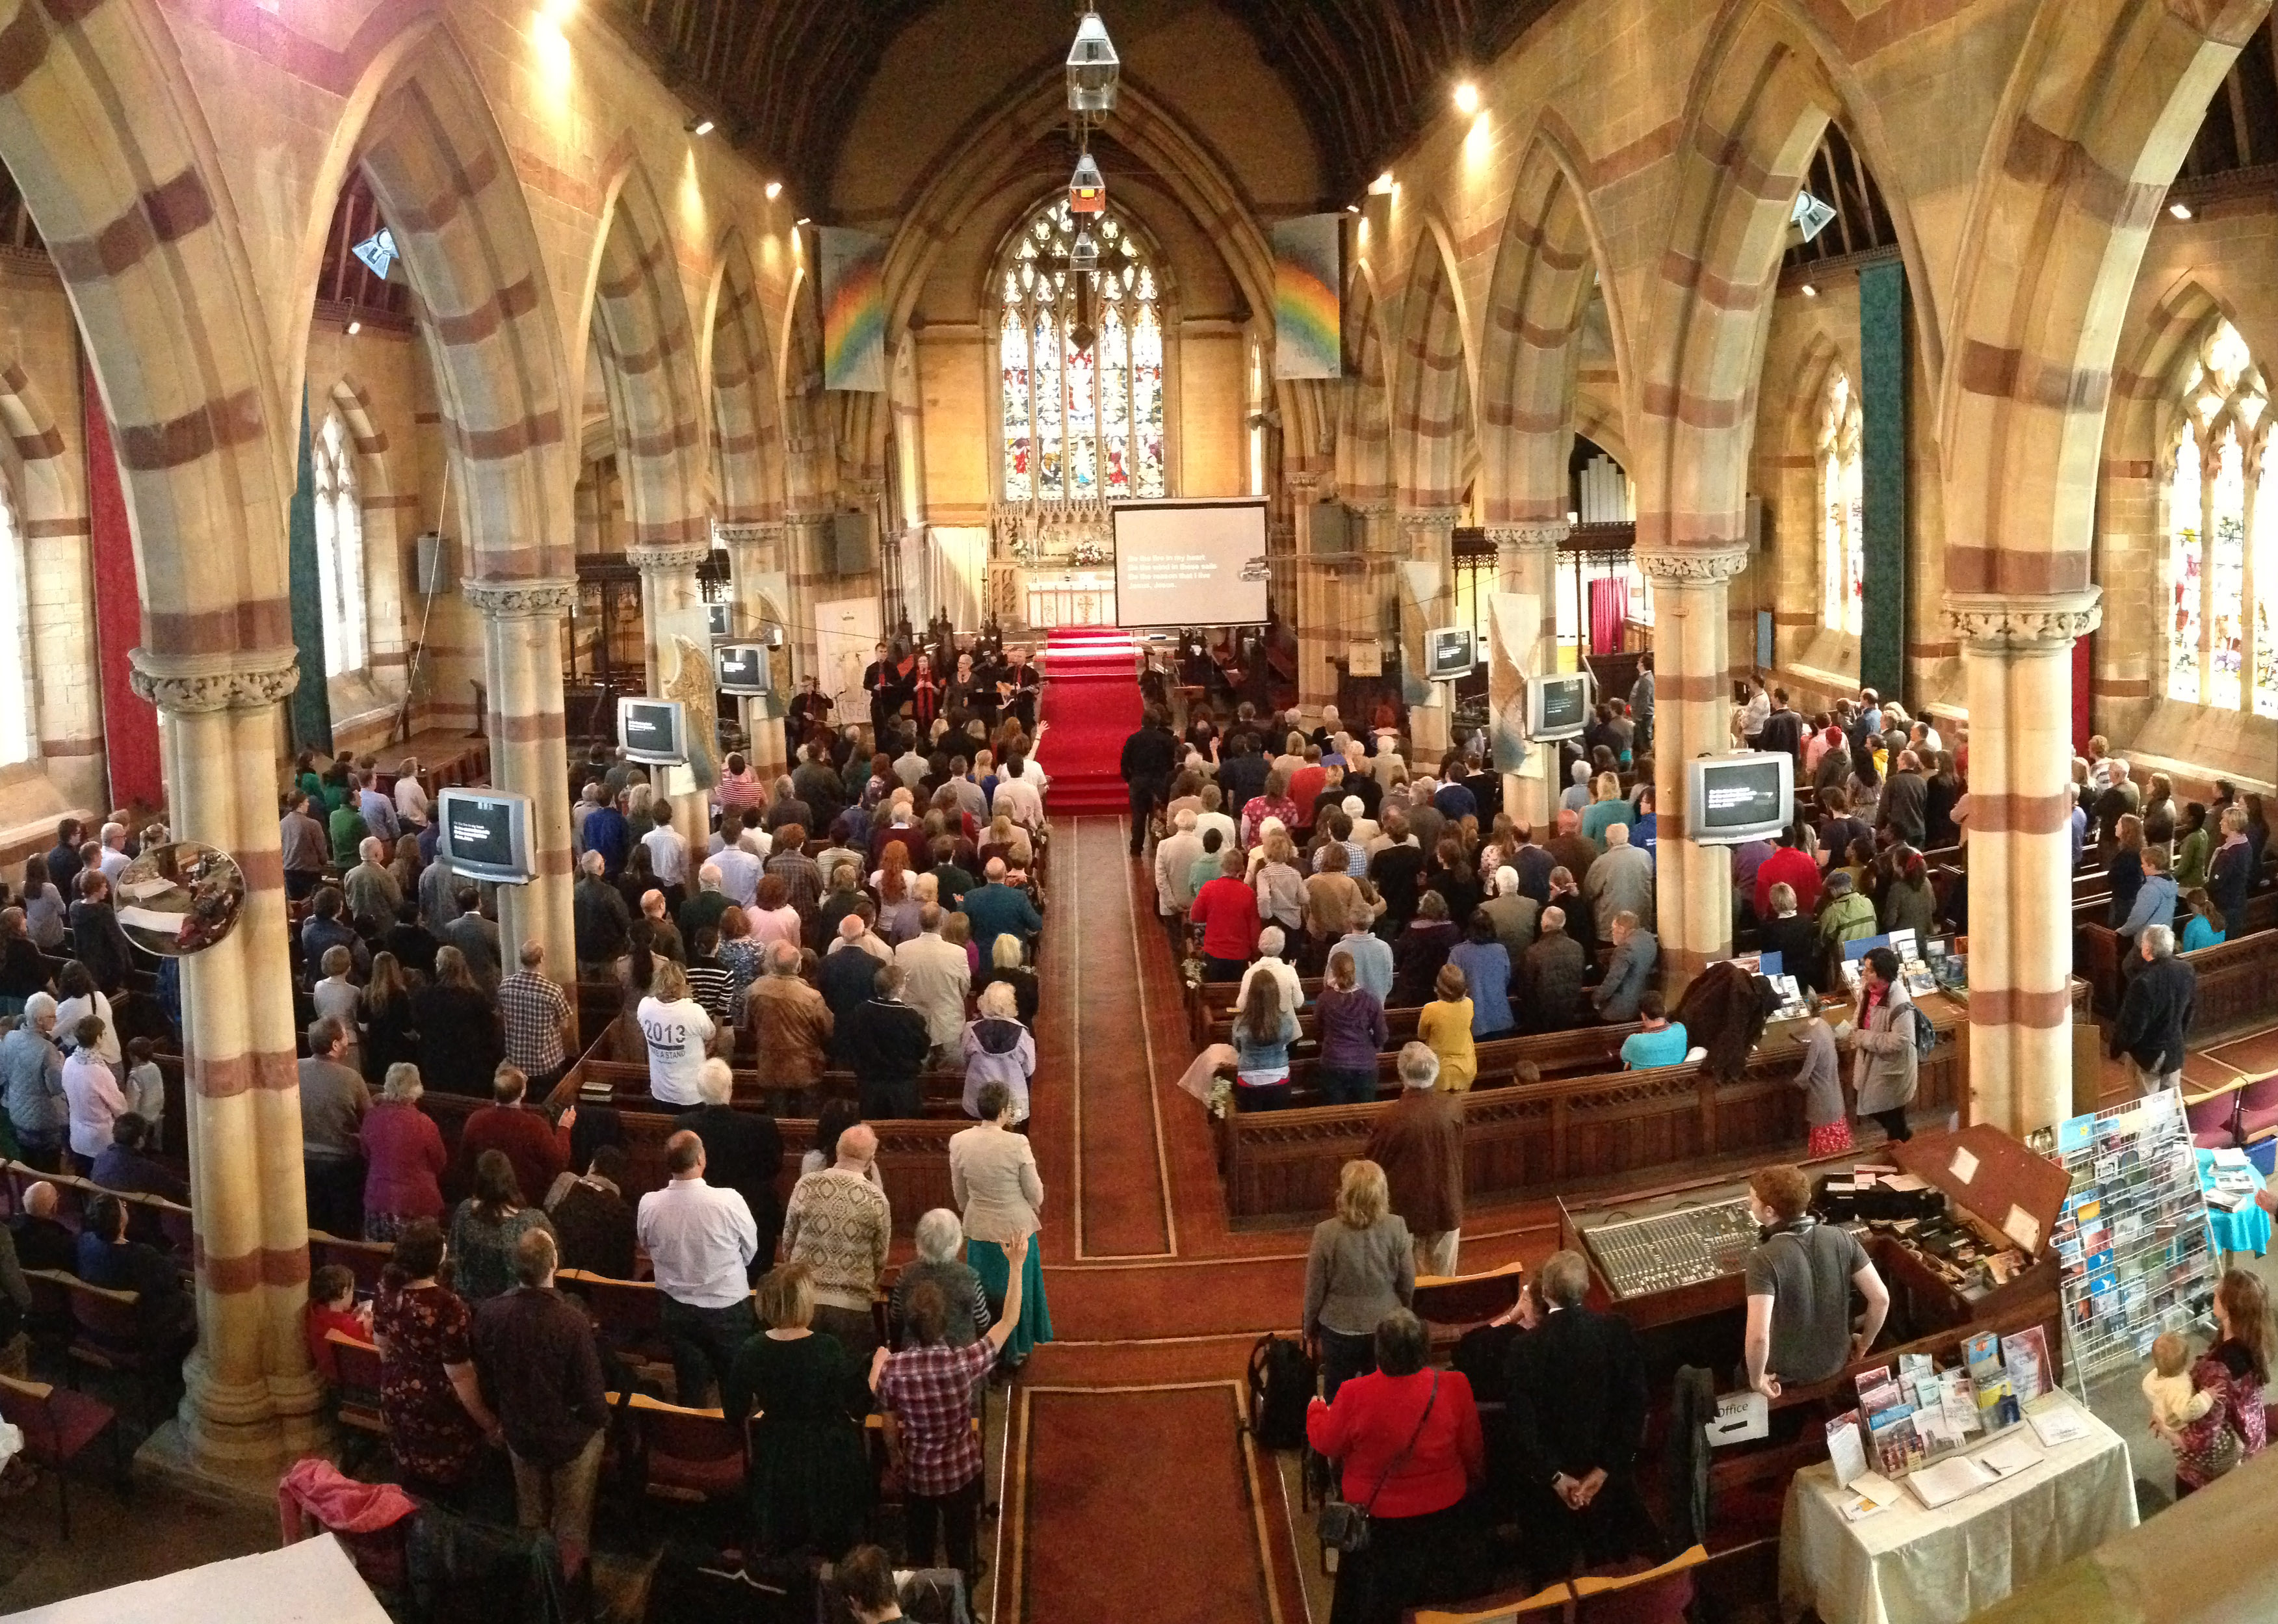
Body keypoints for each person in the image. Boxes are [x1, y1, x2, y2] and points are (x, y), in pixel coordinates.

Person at [1304, 1308, 1484, 1624]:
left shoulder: (1354, 1393)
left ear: (1380, 1352)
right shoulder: (1456, 1385)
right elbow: (1472, 1449)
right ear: (1424, 1349)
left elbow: (1327, 1444)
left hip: (1376, 1521)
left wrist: (1315, 1412)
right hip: (1444, 1513)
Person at [874, 1233, 1032, 1586]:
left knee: (919, 1549)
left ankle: (922, 1601)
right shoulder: (964, 1363)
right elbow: (1007, 1320)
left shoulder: (893, 1371)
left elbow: (888, 1421)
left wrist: (897, 1459)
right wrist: (1017, 1266)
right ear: (945, 1324)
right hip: (961, 1471)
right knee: (962, 1549)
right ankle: (961, 1595)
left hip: (916, 1473)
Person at [1499, 1250, 1652, 1575]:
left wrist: (1555, 1477)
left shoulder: (1524, 1349)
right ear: (1584, 1290)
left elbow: (1522, 1427)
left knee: (1551, 1565)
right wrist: (1605, 1469)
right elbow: (1634, 1407)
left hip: (1546, 1491)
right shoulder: (1617, 1332)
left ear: (1544, 1293)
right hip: (1609, 1483)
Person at [471, 1228, 609, 1590]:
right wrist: (598, 1423)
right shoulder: (572, 1321)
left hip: (519, 1432)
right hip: (569, 1440)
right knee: (571, 1525)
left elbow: (483, 1377)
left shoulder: (490, 1313)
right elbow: (594, 1401)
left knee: (530, 1518)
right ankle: (567, 1593)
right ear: (555, 1264)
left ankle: (533, 1589)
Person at [721, 1262, 875, 1560]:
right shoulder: (827, 1347)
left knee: (785, 1544)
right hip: (828, 1453)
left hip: (778, 1455)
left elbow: (733, 1411)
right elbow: (855, 1403)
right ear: (805, 1302)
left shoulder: (752, 1349)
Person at [1742, 1163, 1889, 1397]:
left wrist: (1756, 1380)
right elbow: (1881, 1299)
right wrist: (1864, 1344)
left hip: (1787, 1373)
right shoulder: (1842, 1237)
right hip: (1837, 1359)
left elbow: (1759, 1338)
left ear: (1769, 1211)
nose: (1749, 1205)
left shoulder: (1762, 1258)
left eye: (1752, 1200)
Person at [637, 1129, 760, 1406]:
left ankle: (694, 1440)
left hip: (676, 1306)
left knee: (689, 1381)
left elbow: (646, 1246)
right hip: (726, 1307)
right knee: (734, 1381)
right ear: (701, 1159)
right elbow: (750, 1250)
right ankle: (735, 1439)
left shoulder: (649, 1203)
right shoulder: (729, 1201)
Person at [949, 1081, 1051, 1363]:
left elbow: (959, 1191)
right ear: (1005, 1110)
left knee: (984, 1290)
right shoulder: (1017, 1142)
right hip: (1015, 1229)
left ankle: (987, 1346)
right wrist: (1035, 1206)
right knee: (1017, 1286)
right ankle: (1016, 1348)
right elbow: (1035, 1192)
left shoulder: (959, 1141)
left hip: (980, 1227)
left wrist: (969, 1210)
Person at [1305, 1160, 1414, 1402]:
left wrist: (1309, 1326)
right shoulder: (1397, 1227)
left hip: (1337, 1327)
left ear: (1345, 1193)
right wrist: (1400, 1310)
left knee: (1337, 1394)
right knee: (1382, 1395)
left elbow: (1315, 1288)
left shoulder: (1325, 1232)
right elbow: (1407, 1282)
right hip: (1385, 1324)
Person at [2158, 1268, 2271, 1494]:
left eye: (2218, 1291)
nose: (2213, 1292)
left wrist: (2164, 1427)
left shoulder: (2217, 1370)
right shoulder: (2255, 1344)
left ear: (2229, 1307)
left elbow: (2202, 1440)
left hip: (2211, 1481)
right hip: (2252, 1454)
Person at [784, 1121, 891, 1357]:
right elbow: (880, 1257)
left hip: (805, 1299)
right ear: (871, 1159)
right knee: (846, 1378)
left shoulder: (806, 1184)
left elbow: (788, 1241)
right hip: (852, 1307)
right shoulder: (876, 1198)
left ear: (837, 1150)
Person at [1365, 1043, 1464, 1277]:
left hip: (1405, 1214)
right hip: (1446, 1204)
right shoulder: (1453, 1107)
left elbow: (1373, 1165)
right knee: (1444, 1283)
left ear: (1402, 1074)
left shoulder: (1389, 1118)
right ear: (1435, 1071)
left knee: (1408, 1285)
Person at [675, 1057, 783, 1266]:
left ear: (700, 1091)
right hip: (754, 1211)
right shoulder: (762, 1126)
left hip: (701, 1214)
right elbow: (773, 1167)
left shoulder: (684, 1125)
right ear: (730, 1088)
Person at [457, 1062, 573, 1224]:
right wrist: (564, 1128)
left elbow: (465, 1164)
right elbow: (559, 1161)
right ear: (523, 1092)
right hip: (526, 1202)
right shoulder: (534, 1125)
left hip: (486, 1201)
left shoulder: (476, 1120)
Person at [447, 1149, 554, 1304]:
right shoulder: (533, 1221)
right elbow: (552, 1263)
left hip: (471, 1304)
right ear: (511, 1179)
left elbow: (454, 1257)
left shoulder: (465, 1212)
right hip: (516, 1308)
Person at [1842, 945, 1921, 1143]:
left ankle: (1902, 1149)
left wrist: (1862, 1038)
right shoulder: (1868, 989)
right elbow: (1861, 1012)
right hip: (1871, 1061)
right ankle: (1901, 1142)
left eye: (1869, 970)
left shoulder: (1900, 1002)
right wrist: (1853, 1030)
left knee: (1892, 1114)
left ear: (1883, 974)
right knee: (1869, 1104)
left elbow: (1901, 1040)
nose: (1864, 974)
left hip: (1891, 1069)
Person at [745, 941, 834, 1114]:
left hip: (770, 1067)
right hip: (805, 1068)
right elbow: (828, 1030)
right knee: (806, 1121)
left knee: (775, 1121)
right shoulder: (812, 997)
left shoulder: (755, 991)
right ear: (798, 966)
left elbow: (749, 1026)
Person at [889, 1209, 993, 1350]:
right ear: (957, 1241)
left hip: (913, 1355)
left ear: (919, 1240)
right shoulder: (969, 1277)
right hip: (961, 1357)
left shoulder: (906, 1274)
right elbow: (983, 1321)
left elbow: (896, 1317)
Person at [2110, 924, 2195, 1093]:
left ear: (2147, 948)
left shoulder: (2143, 982)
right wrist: (2179, 1037)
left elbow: (2134, 1026)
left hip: (2147, 1055)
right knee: (2170, 1105)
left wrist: (2117, 1047)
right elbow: (2188, 1012)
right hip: (2174, 1050)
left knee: (2146, 1108)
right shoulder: (2186, 971)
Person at [841, 962, 933, 1119]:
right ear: (900, 988)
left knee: (872, 1129)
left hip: (870, 1084)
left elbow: (852, 1045)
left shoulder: (861, 1012)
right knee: (902, 1133)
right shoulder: (911, 1017)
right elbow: (922, 1049)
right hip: (902, 1086)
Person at [411, 947, 504, 1096]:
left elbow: (418, 1026)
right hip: (469, 1063)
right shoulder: (475, 997)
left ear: (440, 967)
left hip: (437, 1061)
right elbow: (488, 1030)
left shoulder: (425, 996)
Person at [547, 1145, 637, 1279]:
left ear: (592, 1166)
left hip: (558, 1277)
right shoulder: (623, 1213)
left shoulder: (565, 1187)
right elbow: (625, 1269)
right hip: (599, 1288)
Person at [497, 940, 575, 1095]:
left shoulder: (505, 985)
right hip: (546, 1062)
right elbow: (565, 1024)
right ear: (541, 959)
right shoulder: (552, 991)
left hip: (516, 1061)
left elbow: (502, 1015)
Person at [636, 958, 716, 1108]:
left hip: (660, 1090)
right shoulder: (694, 1011)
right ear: (682, 984)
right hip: (692, 1093)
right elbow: (711, 1036)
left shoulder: (645, 1006)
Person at [1315, 948, 1391, 1107]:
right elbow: (1382, 1035)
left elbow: (1317, 1029)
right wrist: (1371, 1046)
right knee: (1365, 1113)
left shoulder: (1325, 999)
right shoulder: (1370, 1000)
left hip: (1333, 1061)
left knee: (1334, 1114)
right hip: (1364, 1064)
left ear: (1333, 973)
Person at [1, 992, 66, 1168]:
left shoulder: (10, 1037)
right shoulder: (47, 1049)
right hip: (43, 1119)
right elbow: (56, 1088)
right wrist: (61, 1063)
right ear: (39, 1020)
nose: (56, 1019)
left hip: (17, 1111)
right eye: (52, 1016)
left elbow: (4, 1071)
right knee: (50, 1169)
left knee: (28, 1165)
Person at [960, 980, 1035, 1122]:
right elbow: (1029, 1068)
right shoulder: (1022, 1034)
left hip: (978, 1097)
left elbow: (964, 1059)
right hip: (1011, 1100)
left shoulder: (971, 1030)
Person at [1230, 971, 1300, 1111]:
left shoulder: (1241, 1022)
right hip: (1279, 1079)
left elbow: (1237, 1047)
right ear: (1276, 995)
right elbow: (1286, 1043)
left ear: (1251, 995)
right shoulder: (1286, 1021)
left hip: (1248, 1080)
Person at [1190, 848, 1262, 982]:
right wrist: (1255, 953)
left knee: (1214, 995)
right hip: (1240, 956)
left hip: (1214, 954)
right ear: (1241, 868)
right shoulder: (1248, 893)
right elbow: (1254, 928)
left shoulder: (1209, 888)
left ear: (1222, 866)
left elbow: (1195, 916)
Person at [1790, 1005, 1851, 1157]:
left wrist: (1795, 1083)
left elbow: (1805, 1074)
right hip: (1833, 1094)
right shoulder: (1824, 1026)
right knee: (1837, 1136)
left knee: (1824, 1142)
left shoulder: (1816, 1039)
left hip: (1821, 1096)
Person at [1119, 705, 1179, 855]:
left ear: (1143, 722)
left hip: (1139, 782)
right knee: (1157, 815)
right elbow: (1172, 763)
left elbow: (1125, 762)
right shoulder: (1166, 740)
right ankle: (1157, 845)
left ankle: (1136, 847)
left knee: (1138, 816)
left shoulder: (1133, 739)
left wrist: (1130, 779)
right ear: (1158, 723)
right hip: (1159, 782)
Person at [1519, 906, 1588, 1032]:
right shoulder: (1577, 947)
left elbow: (1526, 986)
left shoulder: (1534, 952)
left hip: (1542, 1012)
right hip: (1569, 1008)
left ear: (1544, 924)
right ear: (1563, 923)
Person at [1416, 963, 1476, 1092]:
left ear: (1439, 987)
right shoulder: (1469, 1004)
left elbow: (1422, 1035)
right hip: (1467, 1065)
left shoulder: (1431, 1009)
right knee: (1461, 1106)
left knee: (1441, 1108)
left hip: (1440, 1068)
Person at [1617, 992, 1689, 1069]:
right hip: (1673, 1080)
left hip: (1642, 1081)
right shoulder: (1680, 1030)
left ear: (1643, 1016)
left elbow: (1623, 1057)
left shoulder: (1634, 1040)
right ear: (1665, 1010)